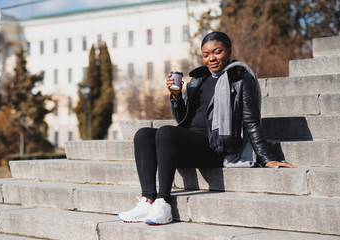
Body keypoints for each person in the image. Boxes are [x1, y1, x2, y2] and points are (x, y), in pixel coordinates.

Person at [118, 31, 296, 225]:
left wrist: (267, 157)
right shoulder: (199, 79)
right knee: (143, 134)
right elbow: (183, 119)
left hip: (216, 146)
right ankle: (148, 200)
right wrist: (176, 97)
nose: (211, 58)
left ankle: (163, 203)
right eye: (206, 54)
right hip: (190, 142)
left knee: (166, 132)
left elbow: (251, 120)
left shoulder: (240, 77)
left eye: (217, 52)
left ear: (228, 50)